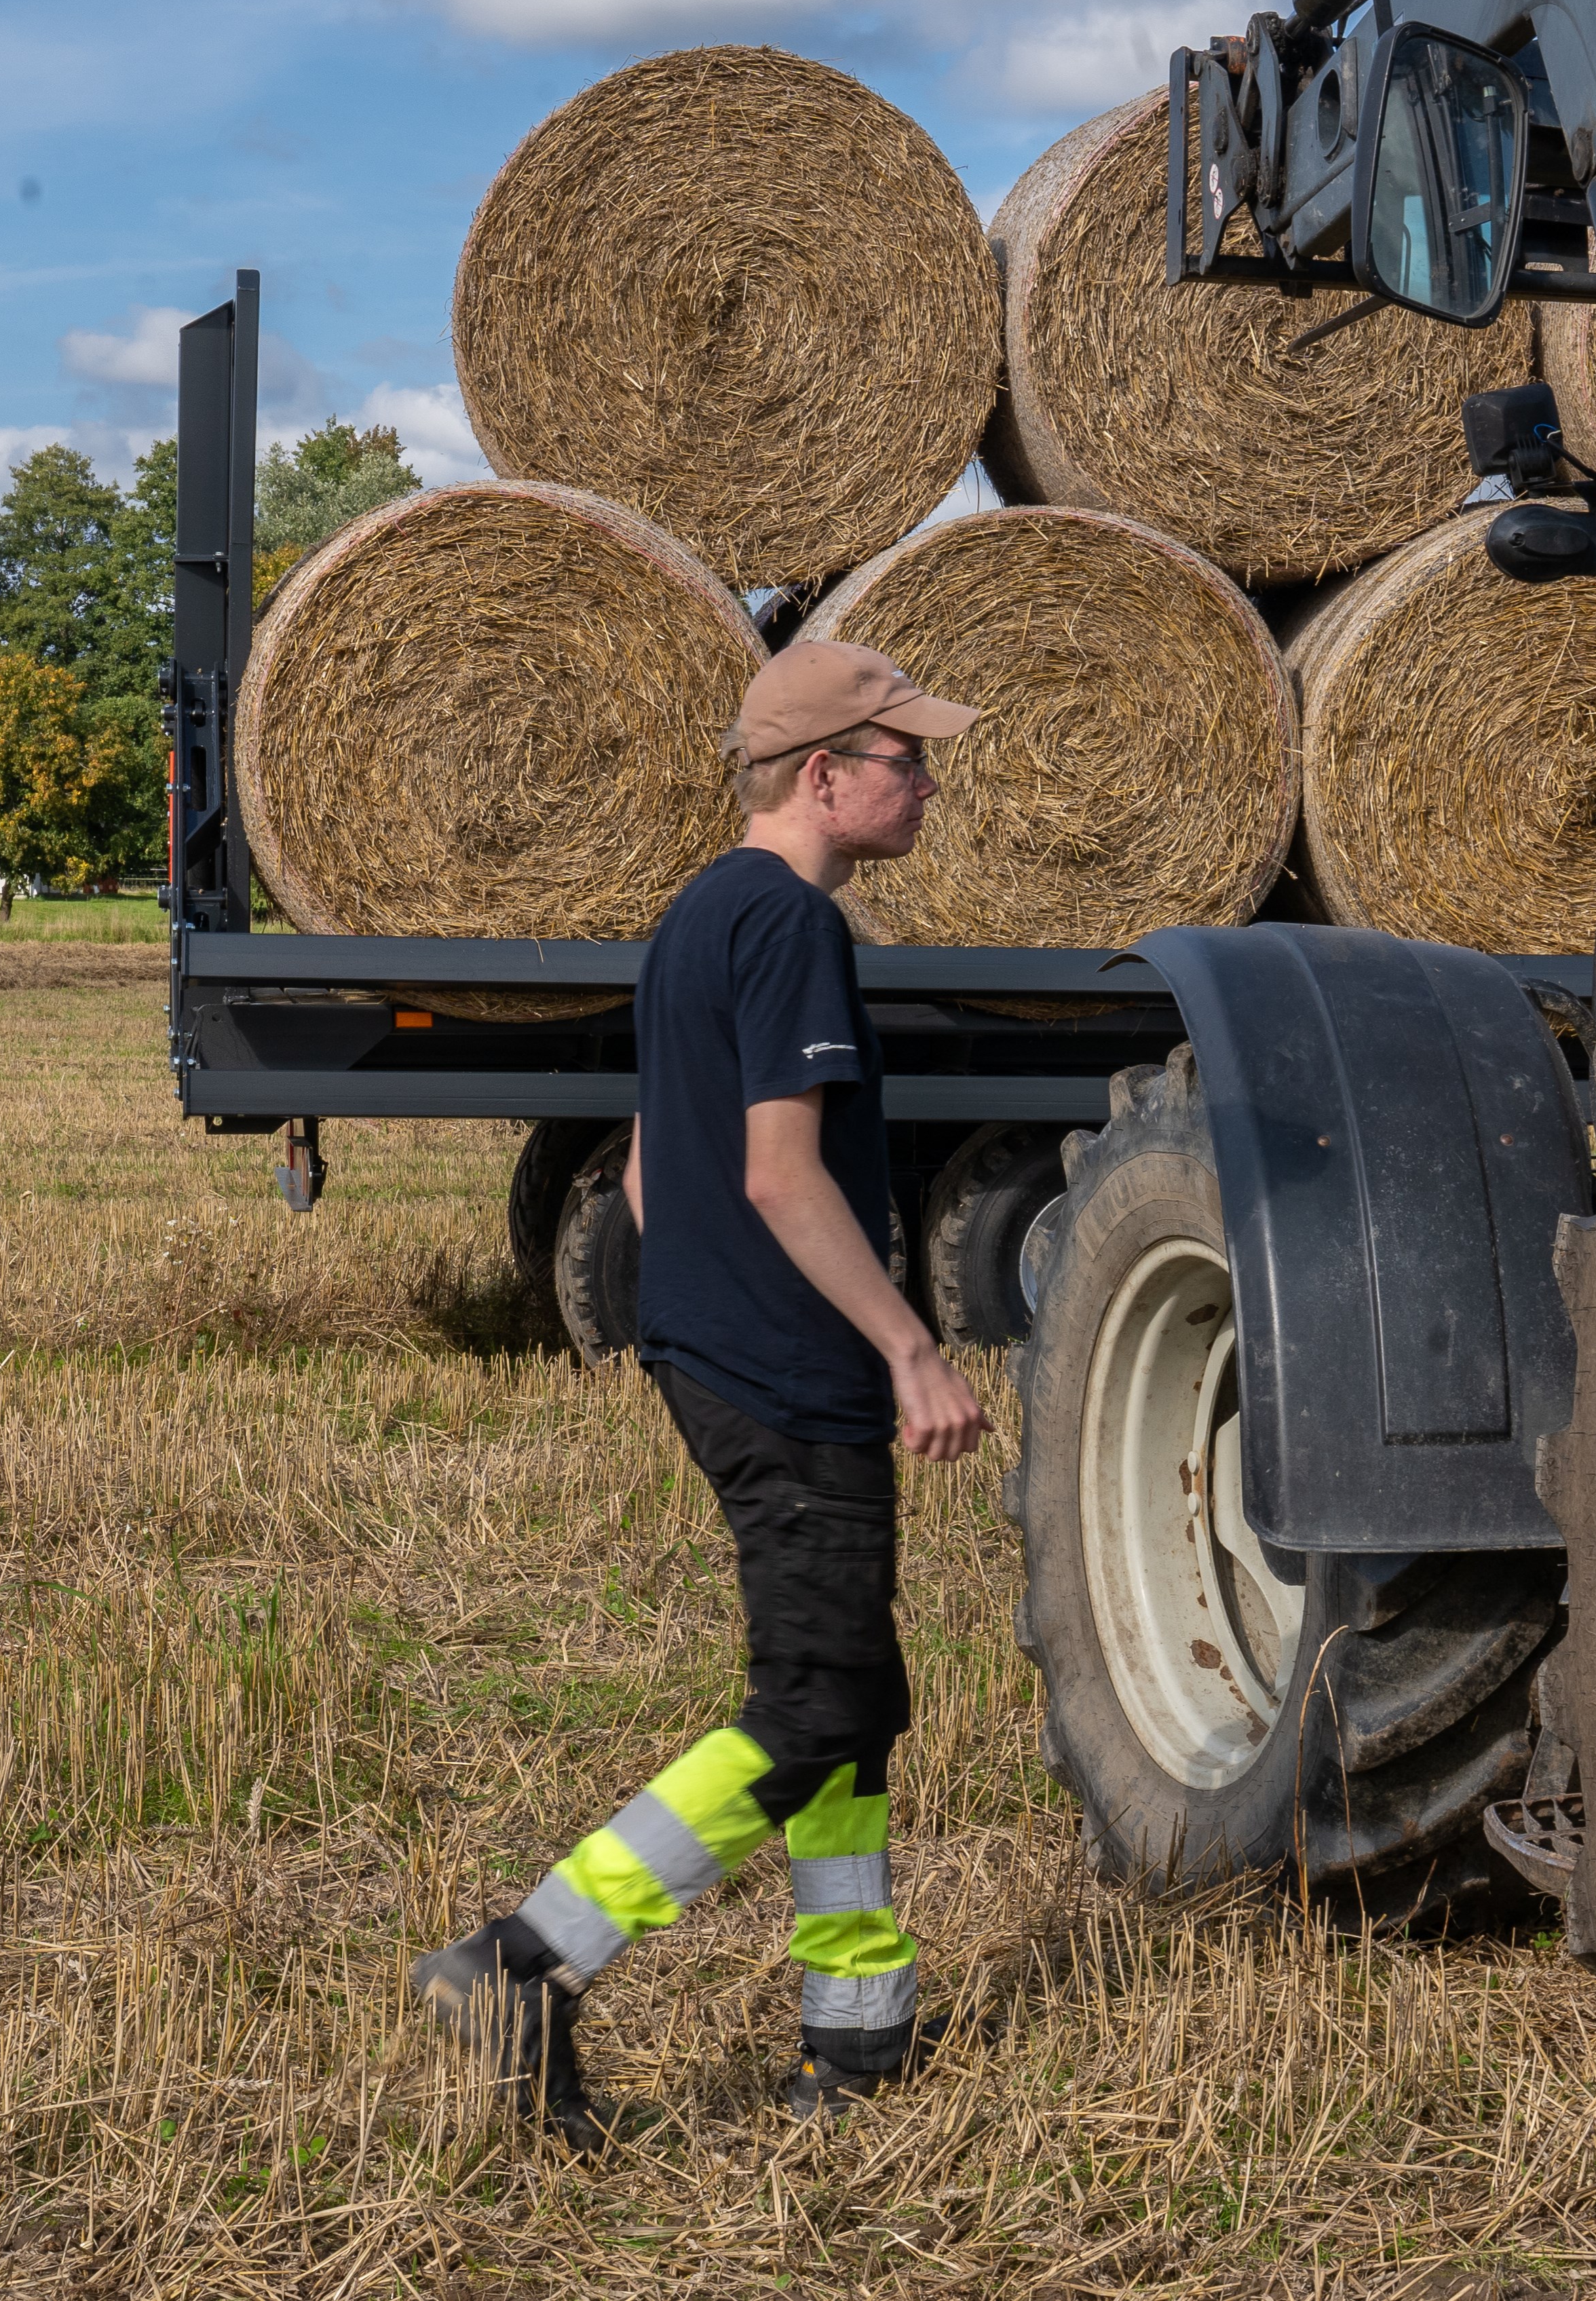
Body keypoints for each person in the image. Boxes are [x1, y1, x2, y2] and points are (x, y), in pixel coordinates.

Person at [411, 640, 993, 2144]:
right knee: (811, 1706)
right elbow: (776, 1170)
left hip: (723, 1357)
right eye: (905, 757)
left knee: (854, 1702)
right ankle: (528, 1958)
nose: (927, 780)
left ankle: (858, 2028)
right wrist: (906, 1343)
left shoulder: (694, 919)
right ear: (824, 774)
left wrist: (713, 1315)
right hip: (794, 1375)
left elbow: (660, 1175)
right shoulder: (791, 921)